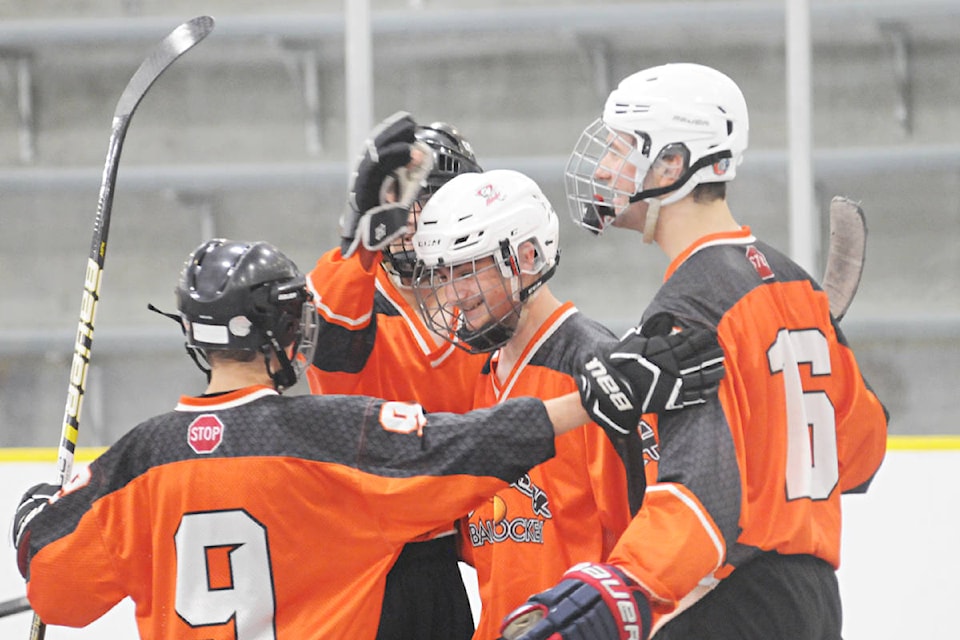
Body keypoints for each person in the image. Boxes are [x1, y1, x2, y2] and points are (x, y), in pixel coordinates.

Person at [11, 238, 722, 639]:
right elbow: (467, 447)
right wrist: (592, 400)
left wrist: (32, 521)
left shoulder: (138, 458)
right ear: (285, 333)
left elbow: (58, 593)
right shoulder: (328, 437)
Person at [500, 62, 889, 640]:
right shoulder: (793, 283)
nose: (607, 167)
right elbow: (861, 452)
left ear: (673, 164)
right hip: (813, 601)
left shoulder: (690, 303)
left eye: (624, 148)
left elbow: (701, 495)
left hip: (732, 602)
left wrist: (619, 589)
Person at [410, 168, 722, 640]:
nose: (453, 294)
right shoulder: (475, 379)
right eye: (444, 275)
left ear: (527, 257)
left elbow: (657, 546)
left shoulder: (594, 370)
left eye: (467, 270)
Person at [304, 112, 487, 639]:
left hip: (443, 562)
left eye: (425, 201)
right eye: (399, 198)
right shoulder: (354, 297)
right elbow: (330, 339)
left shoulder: (480, 312)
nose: (409, 217)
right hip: (361, 568)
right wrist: (355, 239)